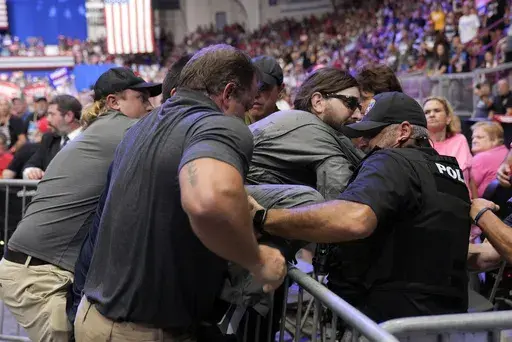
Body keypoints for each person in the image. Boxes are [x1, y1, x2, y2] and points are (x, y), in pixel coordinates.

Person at [74, 44, 286, 342]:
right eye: (247, 104)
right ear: (227, 93)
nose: (248, 115)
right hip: (144, 332)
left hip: (93, 318)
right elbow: (210, 200)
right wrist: (256, 259)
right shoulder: (220, 124)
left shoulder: (139, 127)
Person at [249, 92, 471, 323]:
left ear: (403, 132)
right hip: (444, 320)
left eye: (372, 133)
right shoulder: (451, 175)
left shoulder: (391, 160)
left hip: (387, 319)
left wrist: (265, 218)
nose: (363, 142)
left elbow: (354, 219)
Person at [0, 67, 160, 342]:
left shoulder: (99, 130)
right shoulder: (121, 128)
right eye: (142, 99)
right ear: (113, 102)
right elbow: (174, 132)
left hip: (42, 267)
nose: (150, 107)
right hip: (40, 273)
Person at [248, 67, 364, 199]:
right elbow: (341, 207)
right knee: (311, 200)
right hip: (234, 195)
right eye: (351, 103)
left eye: (358, 106)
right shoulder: (315, 133)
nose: (358, 115)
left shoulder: (301, 121)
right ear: (318, 102)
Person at [22, 95, 83, 180]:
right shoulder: (49, 138)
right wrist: (32, 171)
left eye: (52, 114)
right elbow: (30, 165)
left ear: (69, 116)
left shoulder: (88, 139)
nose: (48, 120)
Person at [424, 96, 474, 196]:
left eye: (437, 110)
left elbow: (470, 178)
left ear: (448, 118)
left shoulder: (460, 140)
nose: (432, 115)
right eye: (427, 112)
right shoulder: (419, 144)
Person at [245, 55, 284, 124]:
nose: (255, 94)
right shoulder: (232, 126)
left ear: (280, 90)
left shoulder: (288, 126)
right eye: (250, 86)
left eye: (263, 87)